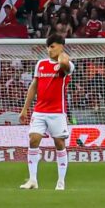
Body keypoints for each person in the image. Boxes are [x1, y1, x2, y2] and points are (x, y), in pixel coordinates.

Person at [20, 34, 72, 192]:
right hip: (40, 111)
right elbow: (34, 86)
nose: (49, 50)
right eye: (48, 47)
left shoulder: (68, 64)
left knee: (59, 144)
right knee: (33, 139)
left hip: (57, 112)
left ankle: (61, 181)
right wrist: (25, 108)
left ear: (61, 47)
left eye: (53, 46)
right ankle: (33, 180)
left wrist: (63, 55)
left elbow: (64, 64)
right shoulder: (41, 64)